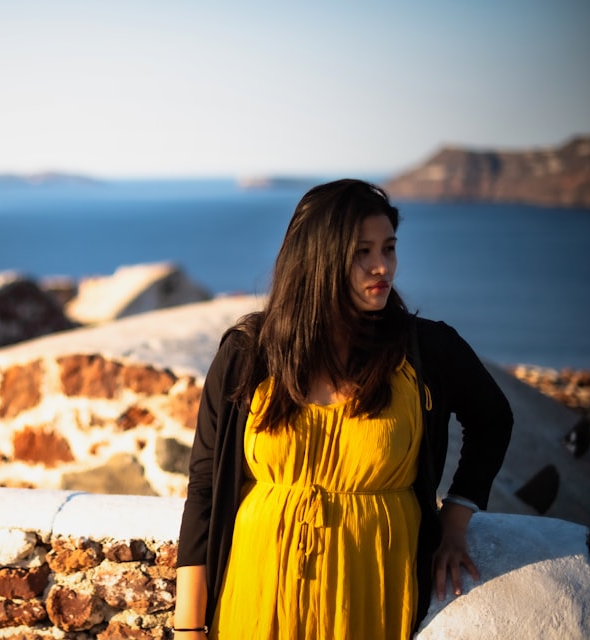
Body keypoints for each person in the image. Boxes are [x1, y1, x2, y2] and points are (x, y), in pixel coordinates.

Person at [173, 179, 513, 638]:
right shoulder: (249, 352)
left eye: (388, 249)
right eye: (362, 252)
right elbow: (206, 487)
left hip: (371, 591)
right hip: (257, 591)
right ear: (318, 258)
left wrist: (454, 524)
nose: (382, 267)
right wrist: (190, 626)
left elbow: (493, 420)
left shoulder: (426, 349)